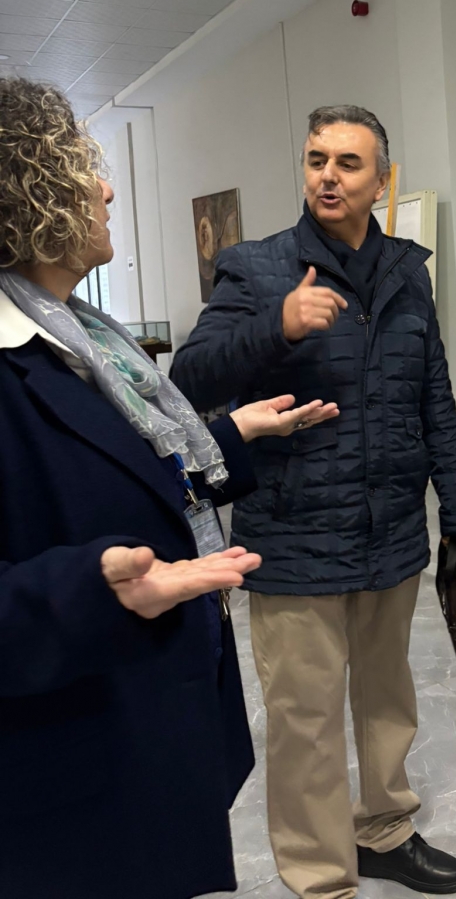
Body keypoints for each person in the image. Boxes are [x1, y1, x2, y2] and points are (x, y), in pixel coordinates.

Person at [0, 79, 338, 899]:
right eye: (82, 169)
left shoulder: (86, 336)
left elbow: (119, 468)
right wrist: (90, 590)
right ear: (28, 193)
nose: (107, 190)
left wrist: (232, 436)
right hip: (71, 772)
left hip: (142, 720)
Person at [171, 105, 456, 899]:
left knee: (387, 701)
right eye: (317, 160)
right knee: (305, 721)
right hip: (295, 538)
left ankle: (384, 831)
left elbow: (433, 395)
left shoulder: (407, 272)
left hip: (391, 533)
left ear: (381, 180)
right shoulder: (257, 268)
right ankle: (320, 879)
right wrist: (276, 326)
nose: (329, 177)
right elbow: (189, 379)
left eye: (348, 163)